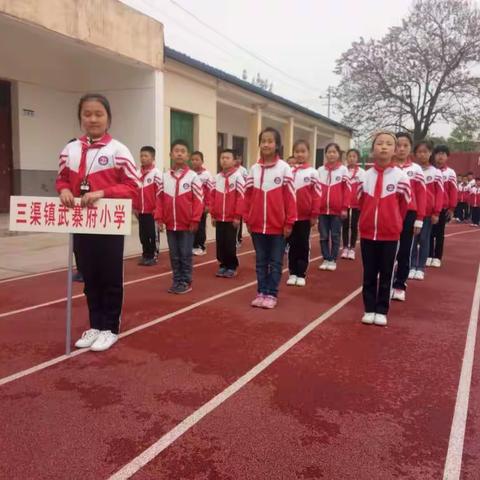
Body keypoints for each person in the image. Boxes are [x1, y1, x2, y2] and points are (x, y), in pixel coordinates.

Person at [56, 93, 139, 351]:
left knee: (110, 276)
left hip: (109, 224)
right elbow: (61, 179)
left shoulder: (119, 150)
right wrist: (64, 191)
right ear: (80, 118)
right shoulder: (69, 150)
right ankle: (95, 325)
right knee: (89, 276)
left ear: (108, 118)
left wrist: (103, 193)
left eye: (98, 114)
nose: (92, 119)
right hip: (80, 224)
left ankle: (110, 328)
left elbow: (134, 187)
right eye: (87, 114)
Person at [357, 131, 411, 327]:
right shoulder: (365, 177)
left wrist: (394, 222)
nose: (384, 147)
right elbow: (360, 201)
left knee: (387, 272)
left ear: (395, 150)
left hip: (390, 235)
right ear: (373, 149)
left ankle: (381, 309)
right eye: (380, 143)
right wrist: (367, 220)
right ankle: (369, 308)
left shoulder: (401, 177)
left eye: (389, 144)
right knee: (369, 273)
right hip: (368, 233)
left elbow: (404, 205)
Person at [244, 127, 296, 309]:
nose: (266, 144)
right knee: (260, 261)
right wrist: (247, 219)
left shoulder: (284, 169)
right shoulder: (254, 169)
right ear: (259, 144)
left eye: (270, 141)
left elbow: (290, 198)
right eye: (263, 141)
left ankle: (272, 294)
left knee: (275, 262)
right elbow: (248, 196)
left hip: (278, 226)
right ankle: (261, 292)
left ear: (277, 145)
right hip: (257, 225)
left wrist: (289, 222)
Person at [155, 140, 203, 294]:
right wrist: (159, 218)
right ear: (171, 154)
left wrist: (195, 219)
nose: (179, 153)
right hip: (170, 224)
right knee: (174, 255)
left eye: (183, 151)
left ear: (187, 155)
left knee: (185, 254)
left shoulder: (193, 177)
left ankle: (186, 281)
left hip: (187, 225)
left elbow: (198, 200)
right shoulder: (164, 177)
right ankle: (176, 280)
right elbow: (159, 200)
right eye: (176, 151)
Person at [391, 132, 426, 302]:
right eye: (398, 145)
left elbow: (421, 195)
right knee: (388, 249)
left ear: (410, 148)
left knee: (405, 249)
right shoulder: (387, 167)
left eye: (405, 145)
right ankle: (387, 281)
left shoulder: (416, 170)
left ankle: (400, 284)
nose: (401, 149)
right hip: (389, 212)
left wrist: (419, 218)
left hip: (409, 214)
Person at [286, 140, 321, 287]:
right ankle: (292, 272)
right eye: (297, 151)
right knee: (291, 245)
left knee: (303, 245)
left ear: (308, 153)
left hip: (305, 217)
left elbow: (317, 194)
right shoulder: (288, 172)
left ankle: (301, 273)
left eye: (303, 151)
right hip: (290, 217)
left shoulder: (313, 172)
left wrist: (314, 214)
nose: (300, 154)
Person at [409, 141, 443, 280]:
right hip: (412, 211)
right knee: (411, 240)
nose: (422, 154)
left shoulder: (436, 172)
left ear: (430, 153)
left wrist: (436, 212)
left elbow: (439, 193)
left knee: (424, 239)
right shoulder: (412, 170)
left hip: (428, 213)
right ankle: (411, 266)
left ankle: (420, 267)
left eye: (425, 152)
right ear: (415, 154)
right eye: (419, 152)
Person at [210, 149, 245, 277]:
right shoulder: (216, 178)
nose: (224, 160)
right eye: (222, 158)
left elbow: (241, 197)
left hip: (232, 218)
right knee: (220, 243)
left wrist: (237, 216)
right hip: (219, 217)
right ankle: (223, 264)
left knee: (230, 244)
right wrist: (213, 215)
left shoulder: (238, 177)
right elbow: (212, 197)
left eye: (227, 158)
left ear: (234, 161)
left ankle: (232, 265)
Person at [317, 143, 350, 271]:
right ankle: (326, 258)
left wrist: (344, 207)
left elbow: (347, 190)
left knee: (335, 235)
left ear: (338, 154)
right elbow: (316, 190)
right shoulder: (320, 170)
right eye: (329, 152)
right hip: (322, 210)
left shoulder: (343, 170)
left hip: (337, 211)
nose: (331, 154)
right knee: (323, 236)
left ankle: (333, 259)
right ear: (326, 154)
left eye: (334, 152)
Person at [428, 145, 458, 268]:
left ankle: (437, 257)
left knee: (439, 233)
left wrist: (452, 208)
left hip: (443, 208)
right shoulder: (430, 171)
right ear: (434, 156)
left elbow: (453, 191)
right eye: (438, 153)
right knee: (428, 233)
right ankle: (428, 255)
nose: (440, 156)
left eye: (443, 154)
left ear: (447, 156)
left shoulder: (450, 173)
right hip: (429, 208)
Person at [133, 146, 161, 266]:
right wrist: (134, 207)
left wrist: (158, 209)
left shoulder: (156, 174)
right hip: (141, 211)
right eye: (141, 156)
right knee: (143, 234)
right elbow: (133, 191)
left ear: (153, 158)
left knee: (152, 234)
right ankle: (145, 254)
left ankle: (153, 255)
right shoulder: (136, 173)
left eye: (146, 156)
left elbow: (160, 193)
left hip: (152, 211)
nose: (143, 158)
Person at [341, 148, 365, 260]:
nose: (351, 158)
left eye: (354, 156)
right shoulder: (343, 171)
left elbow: (364, 188)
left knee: (354, 226)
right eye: (349, 156)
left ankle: (352, 248)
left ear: (357, 158)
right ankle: (345, 247)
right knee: (345, 226)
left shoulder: (362, 172)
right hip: (345, 203)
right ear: (347, 158)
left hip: (356, 203)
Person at [191, 151, 213, 256]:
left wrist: (208, 204)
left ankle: (201, 245)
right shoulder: (189, 174)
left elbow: (210, 191)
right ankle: (192, 245)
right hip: (190, 207)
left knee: (200, 226)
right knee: (191, 226)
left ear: (202, 161)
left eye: (197, 159)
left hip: (202, 206)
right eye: (193, 160)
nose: (194, 162)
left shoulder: (206, 175)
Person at [235, 153, 248, 247]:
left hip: (241, 198)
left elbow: (246, 183)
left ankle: (238, 239)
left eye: (239, 158)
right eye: (236, 158)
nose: (238, 160)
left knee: (239, 220)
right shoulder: (230, 169)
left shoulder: (243, 170)